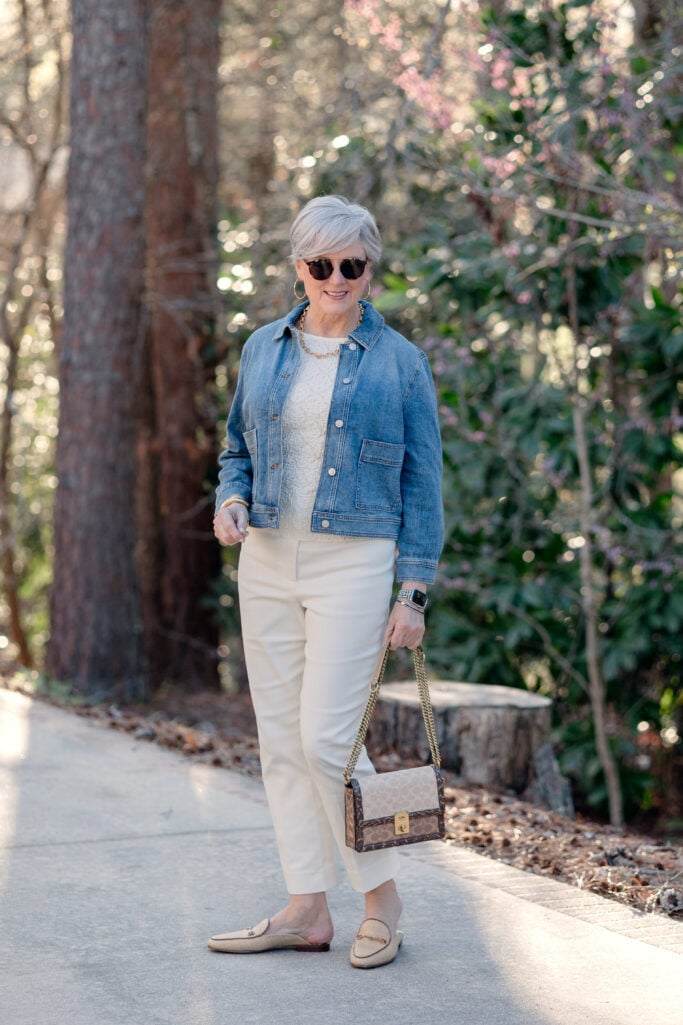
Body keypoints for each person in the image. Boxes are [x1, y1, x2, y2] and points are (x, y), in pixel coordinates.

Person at [209, 195, 443, 969]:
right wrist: (231, 500)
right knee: (280, 739)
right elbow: (236, 449)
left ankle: (382, 900)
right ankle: (306, 906)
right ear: (298, 266)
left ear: (369, 269)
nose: (336, 278)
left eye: (352, 264)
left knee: (327, 741)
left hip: (355, 562)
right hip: (267, 558)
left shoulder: (400, 362)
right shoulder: (262, 349)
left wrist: (412, 590)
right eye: (320, 264)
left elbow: (423, 485)